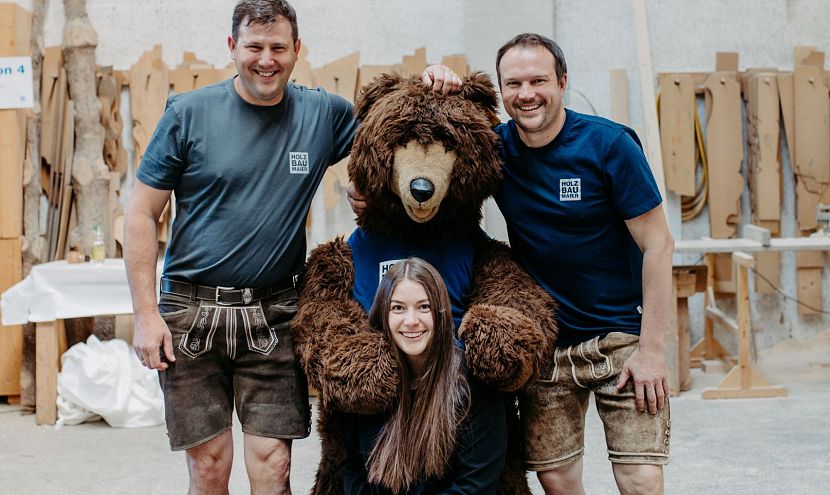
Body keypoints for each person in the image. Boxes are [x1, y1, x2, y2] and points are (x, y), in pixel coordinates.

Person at [124, 0, 461, 492]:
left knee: (274, 466)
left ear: (296, 49)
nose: (266, 59)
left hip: (276, 311)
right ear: (232, 47)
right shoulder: (188, 114)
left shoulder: (322, 114)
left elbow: (391, 128)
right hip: (190, 313)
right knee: (210, 466)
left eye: (278, 47)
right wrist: (145, 314)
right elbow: (139, 213)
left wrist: (431, 80)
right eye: (254, 47)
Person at [348, 33, 674, 495]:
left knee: (639, 476)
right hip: (549, 338)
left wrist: (653, 350)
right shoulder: (498, 151)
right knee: (556, 477)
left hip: (621, 335)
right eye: (514, 83)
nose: (526, 94)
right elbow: (438, 140)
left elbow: (659, 246)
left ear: (562, 82)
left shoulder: (609, 146)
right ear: (500, 89)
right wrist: (437, 79)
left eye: (538, 80)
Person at [340, 257, 507, 494]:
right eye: (398, 307)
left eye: (424, 307)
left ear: (440, 312)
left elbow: (477, 484)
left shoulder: (472, 383)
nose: (411, 321)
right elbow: (352, 469)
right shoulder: (369, 380)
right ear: (383, 315)